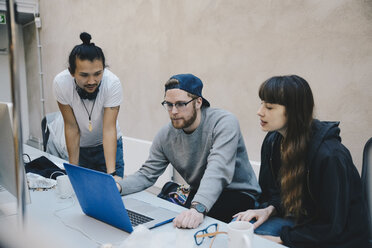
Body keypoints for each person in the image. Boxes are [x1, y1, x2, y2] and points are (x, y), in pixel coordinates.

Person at [233, 75, 369, 248]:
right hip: (301, 223)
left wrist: (281, 240)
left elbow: (333, 225)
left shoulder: (330, 155)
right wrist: (269, 209)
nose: (260, 111)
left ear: (294, 111)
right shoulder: (273, 141)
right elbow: (275, 193)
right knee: (241, 232)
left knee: (256, 241)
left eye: (269, 107)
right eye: (261, 103)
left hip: (339, 238)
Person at [116, 73, 261, 228]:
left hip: (238, 194)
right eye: (169, 104)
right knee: (167, 222)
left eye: (180, 104)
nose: (173, 111)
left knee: (189, 225)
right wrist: (118, 187)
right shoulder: (165, 135)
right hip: (200, 193)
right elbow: (147, 174)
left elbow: (218, 170)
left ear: (198, 102)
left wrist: (197, 208)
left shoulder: (224, 122)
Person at [53, 32, 124, 179]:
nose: (92, 81)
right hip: (80, 147)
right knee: (81, 191)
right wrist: (73, 170)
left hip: (109, 146)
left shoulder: (112, 83)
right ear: (71, 72)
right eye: (84, 75)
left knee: (111, 190)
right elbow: (71, 127)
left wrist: (112, 173)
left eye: (98, 74)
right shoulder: (61, 83)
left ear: (104, 69)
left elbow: (109, 129)